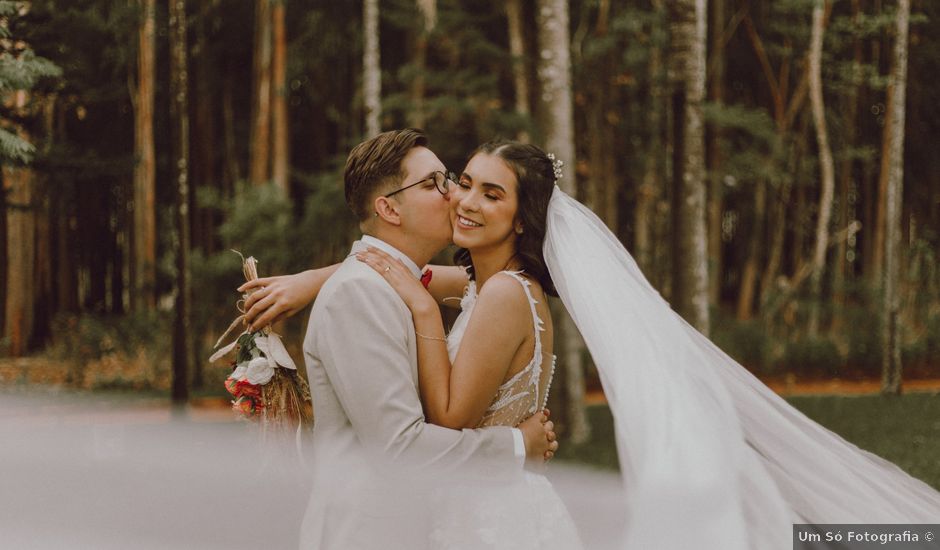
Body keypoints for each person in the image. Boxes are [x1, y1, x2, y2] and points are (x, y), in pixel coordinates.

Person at [244, 138, 940, 549]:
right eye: (453, 184)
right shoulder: (479, 286)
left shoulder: (503, 295)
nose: (461, 198)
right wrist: (314, 279)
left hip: (481, 516)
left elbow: (439, 384)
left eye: (489, 193)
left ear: (522, 221)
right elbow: (404, 271)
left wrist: (425, 317)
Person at [286, 129, 558, 550]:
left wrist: (312, 280)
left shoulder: (459, 288)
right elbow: (400, 446)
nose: (455, 197)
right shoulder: (360, 293)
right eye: (439, 183)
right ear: (389, 209)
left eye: (450, 180)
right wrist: (516, 446)